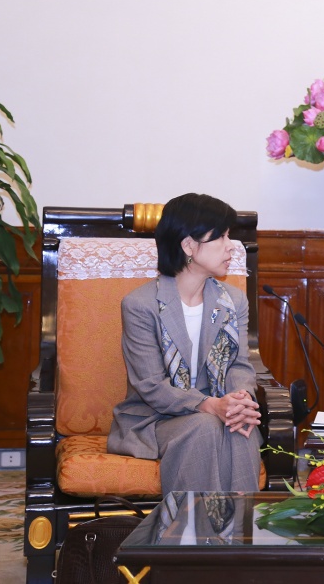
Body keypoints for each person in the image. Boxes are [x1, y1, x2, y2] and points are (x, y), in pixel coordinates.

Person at [107, 193, 262, 494]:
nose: (231, 246)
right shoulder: (141, 305)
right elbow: (150, 385)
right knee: (204, 426)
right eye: (221, 236)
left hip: (217, 409)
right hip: (155, 420)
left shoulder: (233, 301)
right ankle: (191, 536)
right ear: (189, 245)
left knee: (240, 426)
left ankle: (243, 535)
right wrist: (208, 405)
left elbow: (239, 365)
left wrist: (239, 400)